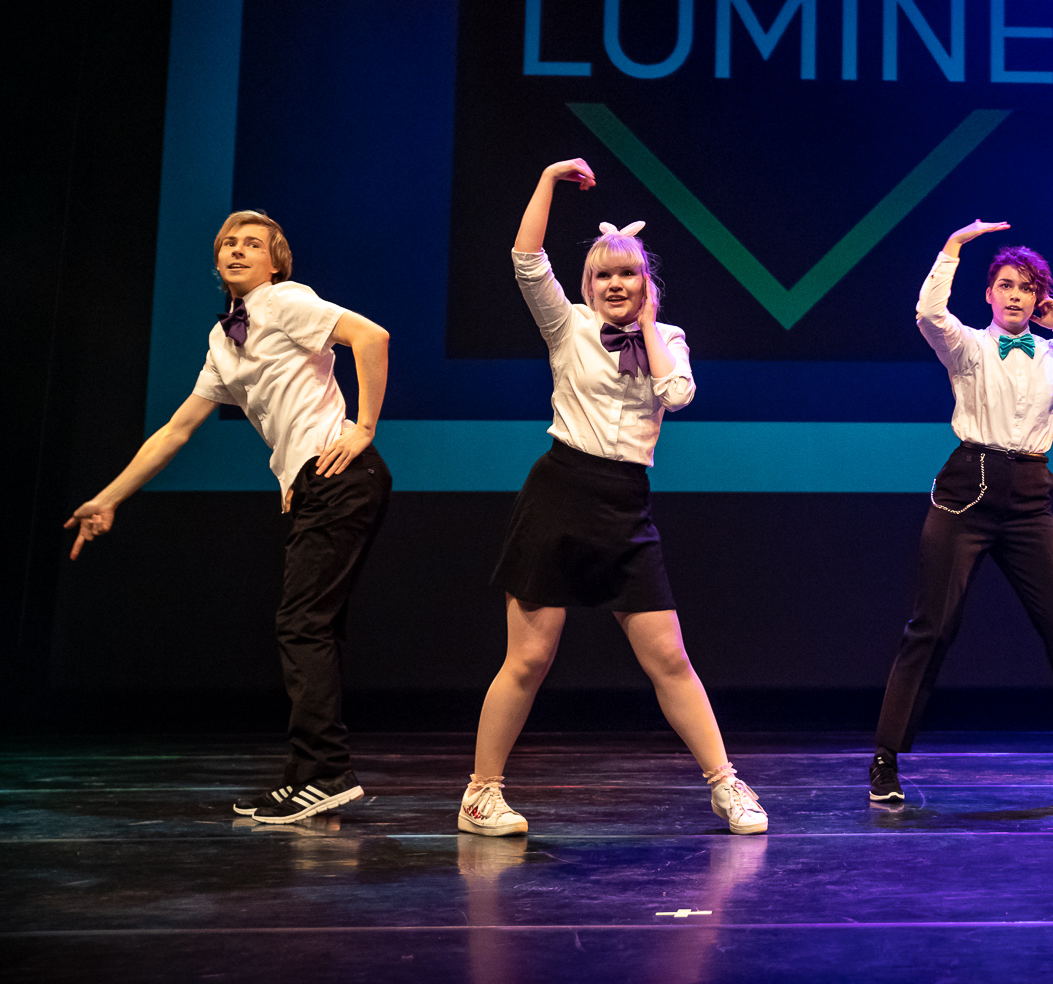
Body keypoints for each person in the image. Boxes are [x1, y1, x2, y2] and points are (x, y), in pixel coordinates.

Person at [457, 158, 765, 838]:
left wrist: (649, 326)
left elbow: (676, 394)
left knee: (670, 658)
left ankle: (726, 784)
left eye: (628, 274)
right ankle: (480, 794)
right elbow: (526, 260)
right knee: (529, 658)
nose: (616, 284)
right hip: (560, 495)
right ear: (588, 284)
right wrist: (546, 179)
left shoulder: (669, 340)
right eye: (603, 275)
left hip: (626, 505)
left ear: (646, 283)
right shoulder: (566, 325)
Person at [67, 211, 392, 825]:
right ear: (217, 262)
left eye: (253, 244)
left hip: (341, 476)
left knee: (301, 625)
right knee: (313, 627)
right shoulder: (224, 342)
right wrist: (109, 497)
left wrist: (364, 429)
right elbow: (176, 430)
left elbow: (371, 338)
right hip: (315, 485)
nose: (237, 251)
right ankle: (310, 776)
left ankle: (325, 773)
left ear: (275, 263)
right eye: (228, 244)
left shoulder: (286, 301)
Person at [868, 221, 1053, 804]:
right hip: (967, 488)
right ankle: (886, 758)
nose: (1017, 296)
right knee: (932, 626)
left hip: (1029, 495)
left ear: (1039, 298)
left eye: (1028, 288)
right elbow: (928, 314)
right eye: (1007, 286)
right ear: (989, 293)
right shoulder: (967, 345)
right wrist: (952, 248)